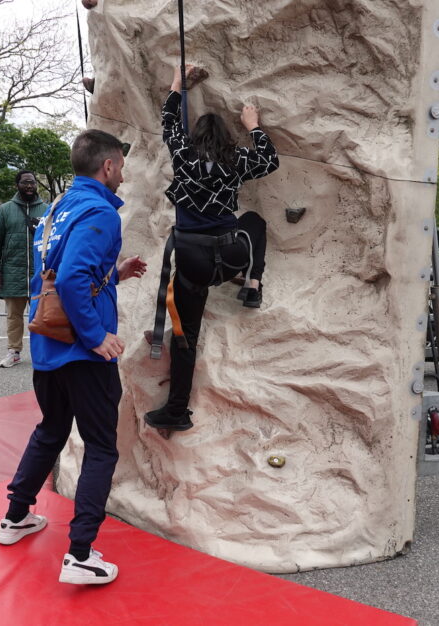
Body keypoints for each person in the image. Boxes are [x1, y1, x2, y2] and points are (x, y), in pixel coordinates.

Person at [0, 129, 146, 586]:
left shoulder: (59, 207)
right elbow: (74, 277)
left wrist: (113, 274)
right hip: (82, 353)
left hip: (48, 346)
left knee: (52, 430)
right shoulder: (100, 211)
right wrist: (96, 335)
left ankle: (16, 516)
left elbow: (65, 270)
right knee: (101, 446)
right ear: (108, 167)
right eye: (121, 164)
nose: (123, 172)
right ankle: (80, 553)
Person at [145, 64, 280, 433]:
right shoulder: (234, 161)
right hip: (230, 254)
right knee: (254, 222)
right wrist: (253, 125)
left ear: (196, 138)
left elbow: (169, 123)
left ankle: (176, 410)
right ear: (225, 140)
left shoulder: (184, 157)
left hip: (192, 260)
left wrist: (177, 84)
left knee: (185, 336)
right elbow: (270, 160)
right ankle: (252, 284)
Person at [0, 171, 49, 368]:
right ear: (17, 185)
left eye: (32, 182)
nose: (29, 186)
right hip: (12, 271)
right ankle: (13, 351)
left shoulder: (48, 210)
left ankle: (43, 353)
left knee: (43, 315)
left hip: (40, 274)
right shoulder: (5, 210)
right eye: (25, 182)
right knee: (14, 316)